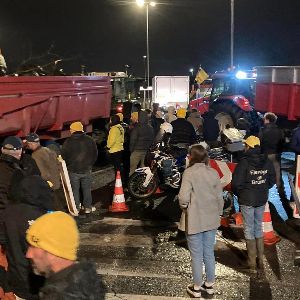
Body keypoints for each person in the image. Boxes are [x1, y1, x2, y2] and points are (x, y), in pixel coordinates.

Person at [178, 145, 223, 298]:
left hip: (195, 219)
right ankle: (209, 284)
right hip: (211, 219)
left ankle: (196, 287)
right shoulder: (213, 172)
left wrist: (185, 208)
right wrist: (218, 214)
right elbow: (219, 198)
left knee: (196, 255)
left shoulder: (189, 173)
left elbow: (183, 198)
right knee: (209, 252)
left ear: (192, 157)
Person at [26, 211, 102, 299]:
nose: (29, 254)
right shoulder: (85, 278)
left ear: (53, 252)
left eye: (34, 247)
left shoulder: (57, 295)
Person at [2, 176, 54, 299]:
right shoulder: (45, 216)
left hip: (17, 282)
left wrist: (5, 285)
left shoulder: (7, 213)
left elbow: (2, 252)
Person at [232, 136, 276, 273]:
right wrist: (262, 188)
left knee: (248, 228)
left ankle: (251, 262)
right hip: (261, 198)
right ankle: (260, 261)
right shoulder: (267, 161)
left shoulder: (244, 162)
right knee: (258, 227)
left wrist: (242, 194)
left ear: (248, 147)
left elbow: (236, 184)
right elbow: (272, 180)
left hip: (247, 200)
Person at [61, 121, 98, 213]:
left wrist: (69, 165)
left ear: (73, 130)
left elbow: (63, 156)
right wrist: (90, 164)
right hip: (87, 169)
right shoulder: (90, 140)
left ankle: (76, 208)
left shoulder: (68, 142)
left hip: (73, 170)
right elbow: (95, 154)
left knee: (75, 190)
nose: (70, 131)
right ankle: (88, 208)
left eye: (70, 129)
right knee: (87, 189)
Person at [24, 133, 63, 210]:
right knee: (59, 204)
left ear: (31, 143)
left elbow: (43, 174)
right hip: (57, 182)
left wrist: (44, 185)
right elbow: (58, 165)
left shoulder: (36, 155)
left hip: (50, 185)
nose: (28, 146)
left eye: (28, 144)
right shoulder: (48, 150)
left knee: (53, 207)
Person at [258, 112, 285, 197]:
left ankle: (262, 192)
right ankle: (281, 193)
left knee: (263, 174)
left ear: (267, 120)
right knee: (278, 174)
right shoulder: (280, 131)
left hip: (265, 155)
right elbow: (282, 143)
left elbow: (260, 143)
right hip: (276, 155)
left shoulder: (262, 130)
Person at [130, 111, 154, 175]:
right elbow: (152, 140)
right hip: (146, 151)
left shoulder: (137, 127)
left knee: (132, 168)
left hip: (136, 150)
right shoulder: (150, 128)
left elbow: (133, 140)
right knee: (144, 169)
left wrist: (131, 150)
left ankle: (131, 183)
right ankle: (141, 182)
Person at [107, 115, 125, 182]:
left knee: (117, 167)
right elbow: (122, 139)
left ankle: (118, 180)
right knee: (118, 166)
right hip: (120, 148)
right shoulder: (120, 127)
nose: (110, 121)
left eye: (111, 120)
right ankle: (120, 179)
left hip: (114, 150)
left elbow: (111, 140)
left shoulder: (113, 129)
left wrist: (108, 146)